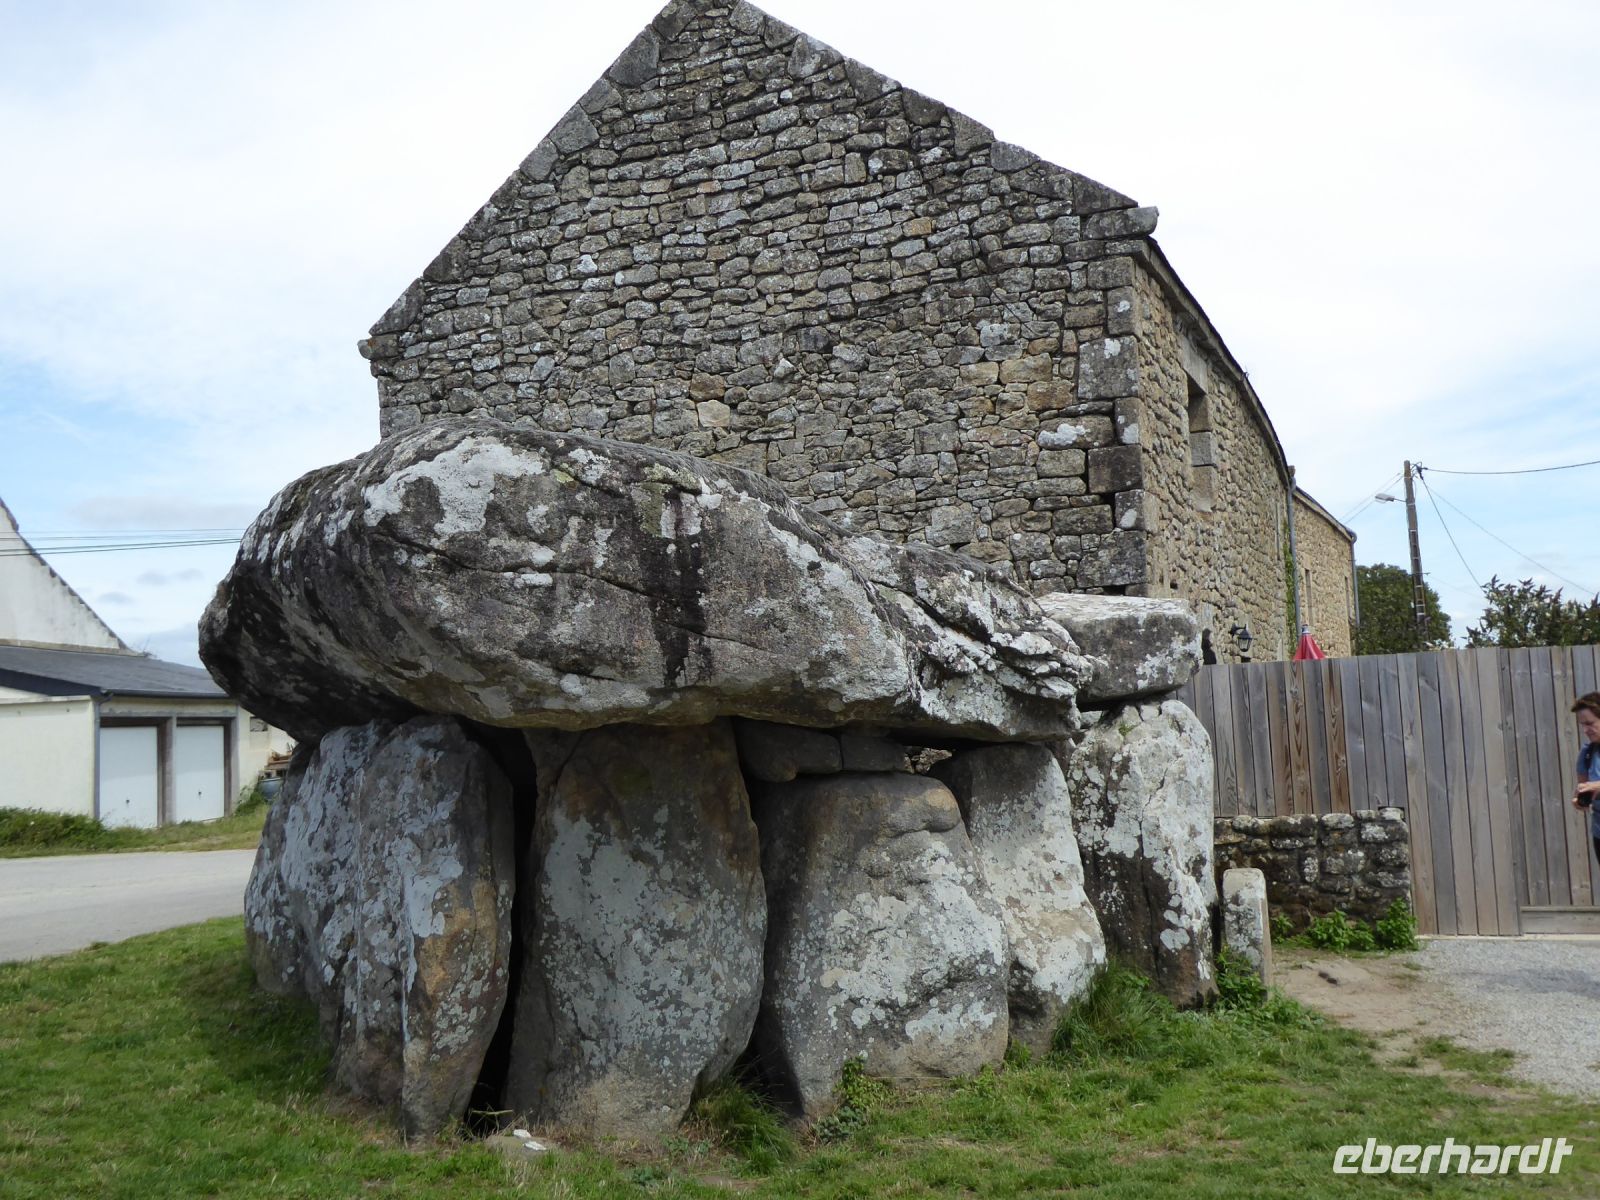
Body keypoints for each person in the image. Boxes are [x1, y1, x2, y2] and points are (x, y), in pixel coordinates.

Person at [1573, 692, 1600, 864]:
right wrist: (1579, 800)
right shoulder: (1587, 753)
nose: (1585, 730)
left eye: (1590, 724)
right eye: (1582, 725)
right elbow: (1583, 786)